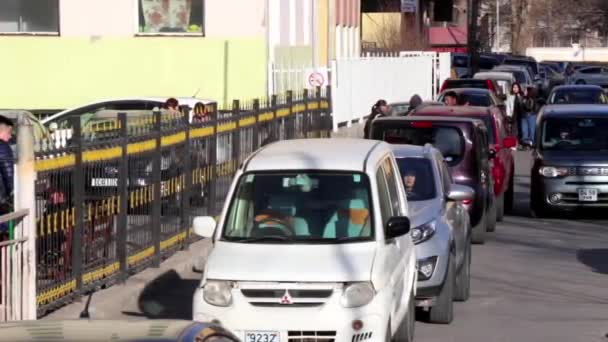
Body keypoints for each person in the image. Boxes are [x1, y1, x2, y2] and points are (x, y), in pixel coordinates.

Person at [0, 116, 14, 240]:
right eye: (9, 133)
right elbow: (8, 174)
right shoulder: (3, 147)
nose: (10, 137)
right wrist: (13, 195)